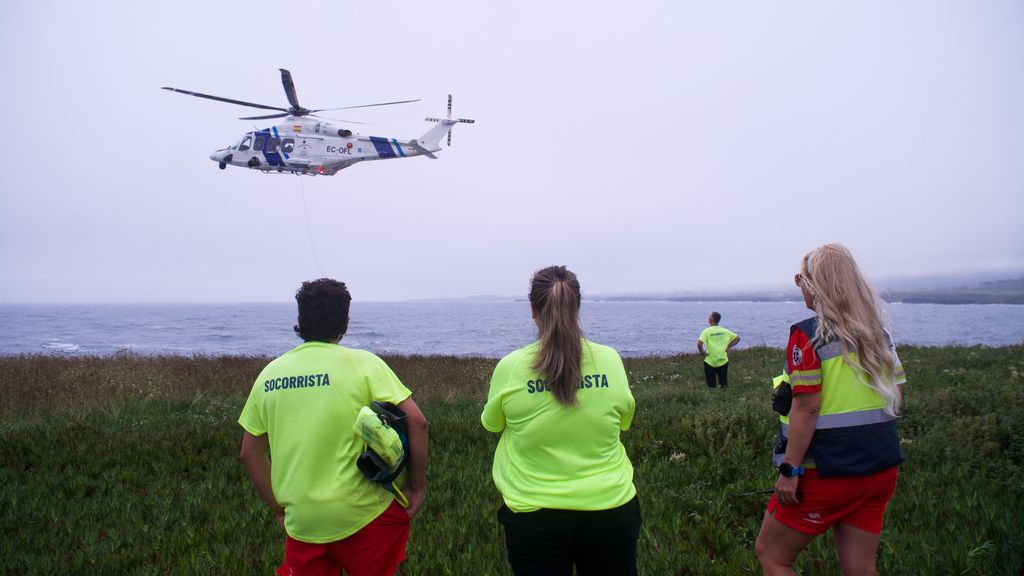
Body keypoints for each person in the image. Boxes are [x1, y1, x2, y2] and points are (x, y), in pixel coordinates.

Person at [238, 278, 429, 576]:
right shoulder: (364, 364)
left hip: (303, 522)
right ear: (345, 321)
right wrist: (416, 488)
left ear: (301, 319)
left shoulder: (269, 375)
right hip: (365, 515)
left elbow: (250, 453)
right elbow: (418, 423)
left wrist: (279, 509)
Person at [755, 244, 906, 576]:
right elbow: (897, 393)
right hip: (880, 468)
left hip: (827, 471)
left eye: (802, 280)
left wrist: (790, 471)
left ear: (815, 285)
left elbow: (806, 409)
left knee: (772, 556)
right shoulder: (878, 334)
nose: (800, 289)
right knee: (860, 567)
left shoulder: (807, 337)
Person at [481, 266, 642, 576]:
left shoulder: (511, 367)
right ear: (577, 307)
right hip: (611, 508)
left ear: (533, 311)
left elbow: (493, 424)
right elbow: (624, 422)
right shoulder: (609, 359)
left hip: (534, 515)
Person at [697, 311, 740, 389]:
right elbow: (737, 338)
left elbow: (699, 344)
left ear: (711, 319)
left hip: (710, 362)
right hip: (723, 361)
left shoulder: (706, 331)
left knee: (711, 387)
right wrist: (728, 346)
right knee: (724, 386)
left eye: (709, 317)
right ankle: (724, 399)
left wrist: (702, 353)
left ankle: (713, 398)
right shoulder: (725, 331)